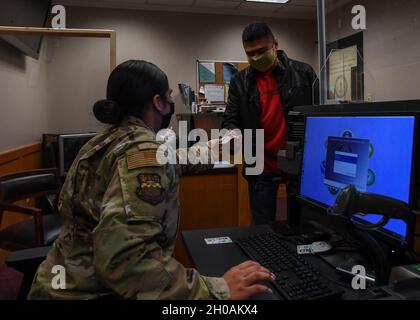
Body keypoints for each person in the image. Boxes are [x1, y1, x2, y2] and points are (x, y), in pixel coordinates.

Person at [28, 60, 275, 300]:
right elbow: (129, 262)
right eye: (168, 96)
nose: (170, 102)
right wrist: (217, 290)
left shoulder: (106, 140)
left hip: (61, 280)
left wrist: (211, 150)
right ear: (158, 103)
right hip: (92, 291)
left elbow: (165, 159)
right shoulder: (143, 150)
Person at [222, 22, 318, 225]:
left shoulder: (303, 73)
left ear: (275, 44)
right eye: (250, 53)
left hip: (298, 162)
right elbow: (231, 119)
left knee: (303, 225)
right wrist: (232, 134)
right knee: (262, 229)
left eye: (261, 51)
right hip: (261, 164)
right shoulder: (240, 81)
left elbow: (319, 117)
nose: (256, 57)